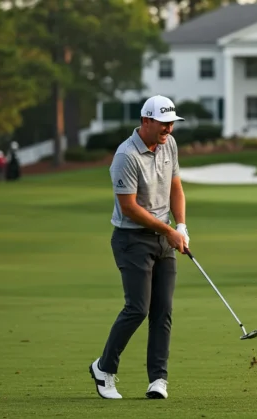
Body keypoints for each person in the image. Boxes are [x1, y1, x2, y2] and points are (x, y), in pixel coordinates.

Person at [89, 95, 190, 400]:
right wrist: (168, 230)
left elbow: (175, 187)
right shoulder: (126, 155)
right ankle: (104, 368)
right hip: (132, 239)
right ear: (146, 120)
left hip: (163, 237)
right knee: (137, 308)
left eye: (171, 123)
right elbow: (129, 208)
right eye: (163, 123)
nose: (169, 129)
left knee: (163, 310)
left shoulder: (169, 144)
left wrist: (181, 226)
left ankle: (158, 379)